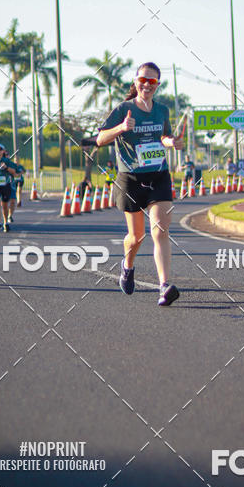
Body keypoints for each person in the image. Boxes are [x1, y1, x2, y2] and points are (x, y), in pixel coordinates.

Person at [96, 61, 185, 307]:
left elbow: (164, 136)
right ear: (135, 82)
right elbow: (100, 139)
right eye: (143, 80)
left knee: (160, 230)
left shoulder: (162, 110)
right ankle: (127, 266)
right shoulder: (123, 109)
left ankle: (164, 286)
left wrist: (170, 142)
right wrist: (121, 128)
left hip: (158, 175)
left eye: (152, 81)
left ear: (157, 85)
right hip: (130, 179)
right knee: (136, 237)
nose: (147, 84)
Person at [0, 144, 17, 232]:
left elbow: (14, 172)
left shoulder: (6, 161)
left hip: (6, 185)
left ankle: (5, 222)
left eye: (1, 149)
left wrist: (6, 168)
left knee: (4, 205)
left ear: (3, 151)